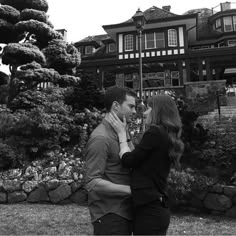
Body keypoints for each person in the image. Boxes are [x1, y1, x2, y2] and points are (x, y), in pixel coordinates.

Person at [108, 94, 184, 235]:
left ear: (158, 111)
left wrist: (121, 135)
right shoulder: (165, 134)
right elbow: (139, 157)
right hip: (154, 208)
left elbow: (128, 161)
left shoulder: (155, 132)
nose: (145, 112)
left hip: (150, 211)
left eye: (149, 108)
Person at [85, 86, 137, 235]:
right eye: (131, 106)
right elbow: (92, 182)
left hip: (124, 211)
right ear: (115, 105)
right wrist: (132, 191)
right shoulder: (100, 138)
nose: (134, 111)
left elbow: (133, 161)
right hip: (109, 214)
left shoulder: (121, 131)